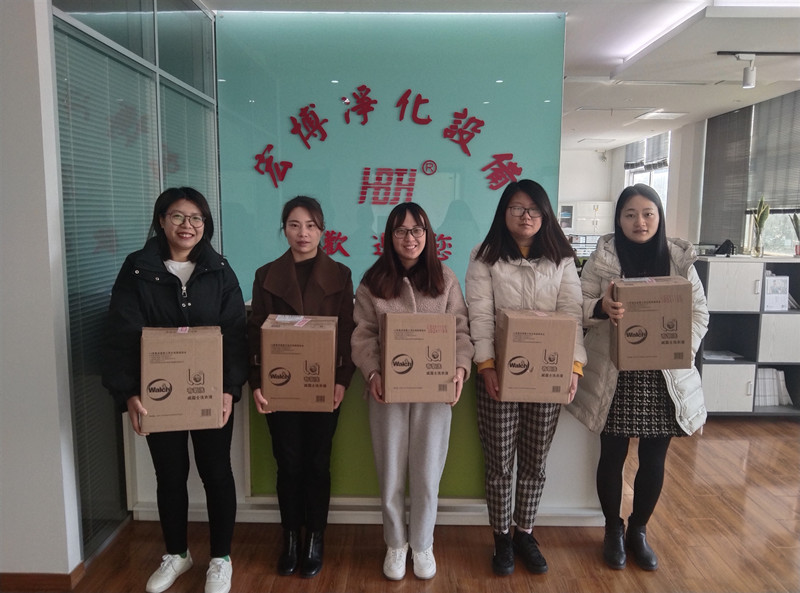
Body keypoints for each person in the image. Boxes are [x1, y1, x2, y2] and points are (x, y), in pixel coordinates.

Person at [102, 187, 248, 593]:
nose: (188, 225)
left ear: (206, 225)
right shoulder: (137, 269)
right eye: (179, 216)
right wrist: (130, 393)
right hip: (158, 396)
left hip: (209, 393)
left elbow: (235, 333)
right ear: (161, 220)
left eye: (197, 218)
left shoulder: (219, 269)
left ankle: (220, 558)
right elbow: (121, 334)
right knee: (169, 474)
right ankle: (177, 554)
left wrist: (229, 389)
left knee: (217, 472)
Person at [569, 184, 709, 571]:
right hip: (614, 374)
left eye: (648, 213)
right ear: (619, 219)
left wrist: (677, 347)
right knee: (612, 456)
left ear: (659, 216)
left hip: (664, 378)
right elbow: (576, 307)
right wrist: (601, 307)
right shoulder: (602, 259)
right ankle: (612, 529)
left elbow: (699, 314)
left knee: (654, 459)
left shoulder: (679, 261)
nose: (640, 222)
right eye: (630, 214)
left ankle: (639, 530)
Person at [464, 179, 586, 577]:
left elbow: (572, 312)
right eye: (517, 208)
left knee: (535, 460)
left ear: (545, 214)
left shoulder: (561, 258)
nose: (526, 216)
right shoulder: (484, 256)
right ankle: (501, 537)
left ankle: (525, 533)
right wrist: (485, 365)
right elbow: (480, 314)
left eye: (534, 209)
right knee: (499, 462)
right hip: (499, 374)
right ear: (504, 213)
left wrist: (574, 367)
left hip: (548, 373)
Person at [351, 202, 474, 581]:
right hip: (387, 393)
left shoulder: (445, 279)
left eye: (417, 230)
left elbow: (461, 331)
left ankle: (422, 543)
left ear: (428, 235)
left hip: (434, 395)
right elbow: (362, 334)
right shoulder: (372, 282)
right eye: (401, 231)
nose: (410, 238)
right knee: (390, 473)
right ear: (390, 236)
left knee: (427, 473)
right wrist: (373, 373)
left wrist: (460, 369)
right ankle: (395, 543)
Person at [247, 196, 355, 578]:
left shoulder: (340, 274)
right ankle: (291, 535)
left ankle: (316, 538)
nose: (303, 233)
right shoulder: (266, 275)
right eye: (294, 225)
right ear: (284, 229)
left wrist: (342, 381)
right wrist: (257, 383)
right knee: (288, 462)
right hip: (279, 387)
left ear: (322, 230)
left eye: (310, 225)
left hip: (324, 385)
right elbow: (254, 332)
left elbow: (348, 331)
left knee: (317, 462)